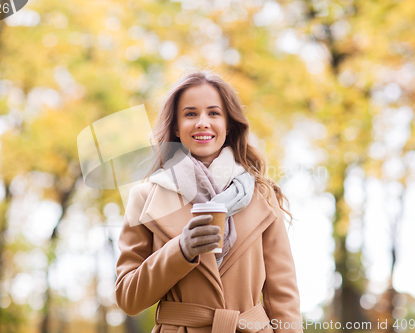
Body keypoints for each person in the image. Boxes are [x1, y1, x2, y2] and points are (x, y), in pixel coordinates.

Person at [115, 69, 303, 333]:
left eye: (213, 113)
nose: (202, 122)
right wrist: (180, 250)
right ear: (177, 128)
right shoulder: (145, 197)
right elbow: (128, 298)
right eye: (191, 114)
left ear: (228, 126)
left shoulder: (262, 196)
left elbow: (284, 297)